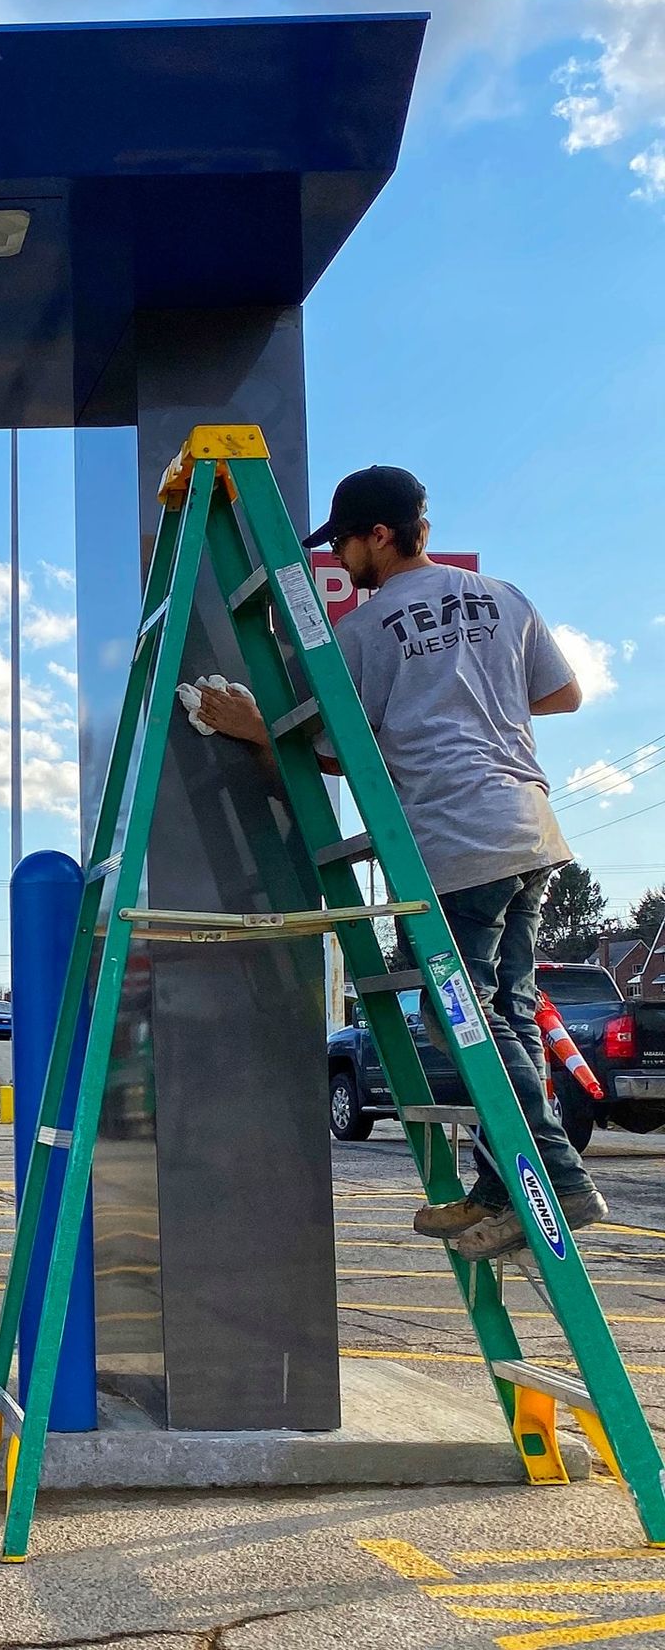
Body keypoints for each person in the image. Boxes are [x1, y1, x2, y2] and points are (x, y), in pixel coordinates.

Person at [197, 464, 606, 1261]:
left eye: (345, 542)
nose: (342, 559)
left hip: (458, 842)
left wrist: (255, 726)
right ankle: (501, 1182)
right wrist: (471, 694)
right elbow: (564, 696)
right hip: (528, 830)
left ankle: (557, 1178)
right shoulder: (506, 598)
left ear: (378, 535)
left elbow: (335, 753)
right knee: (509, 1016)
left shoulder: (365, 630)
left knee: (458, 1019)